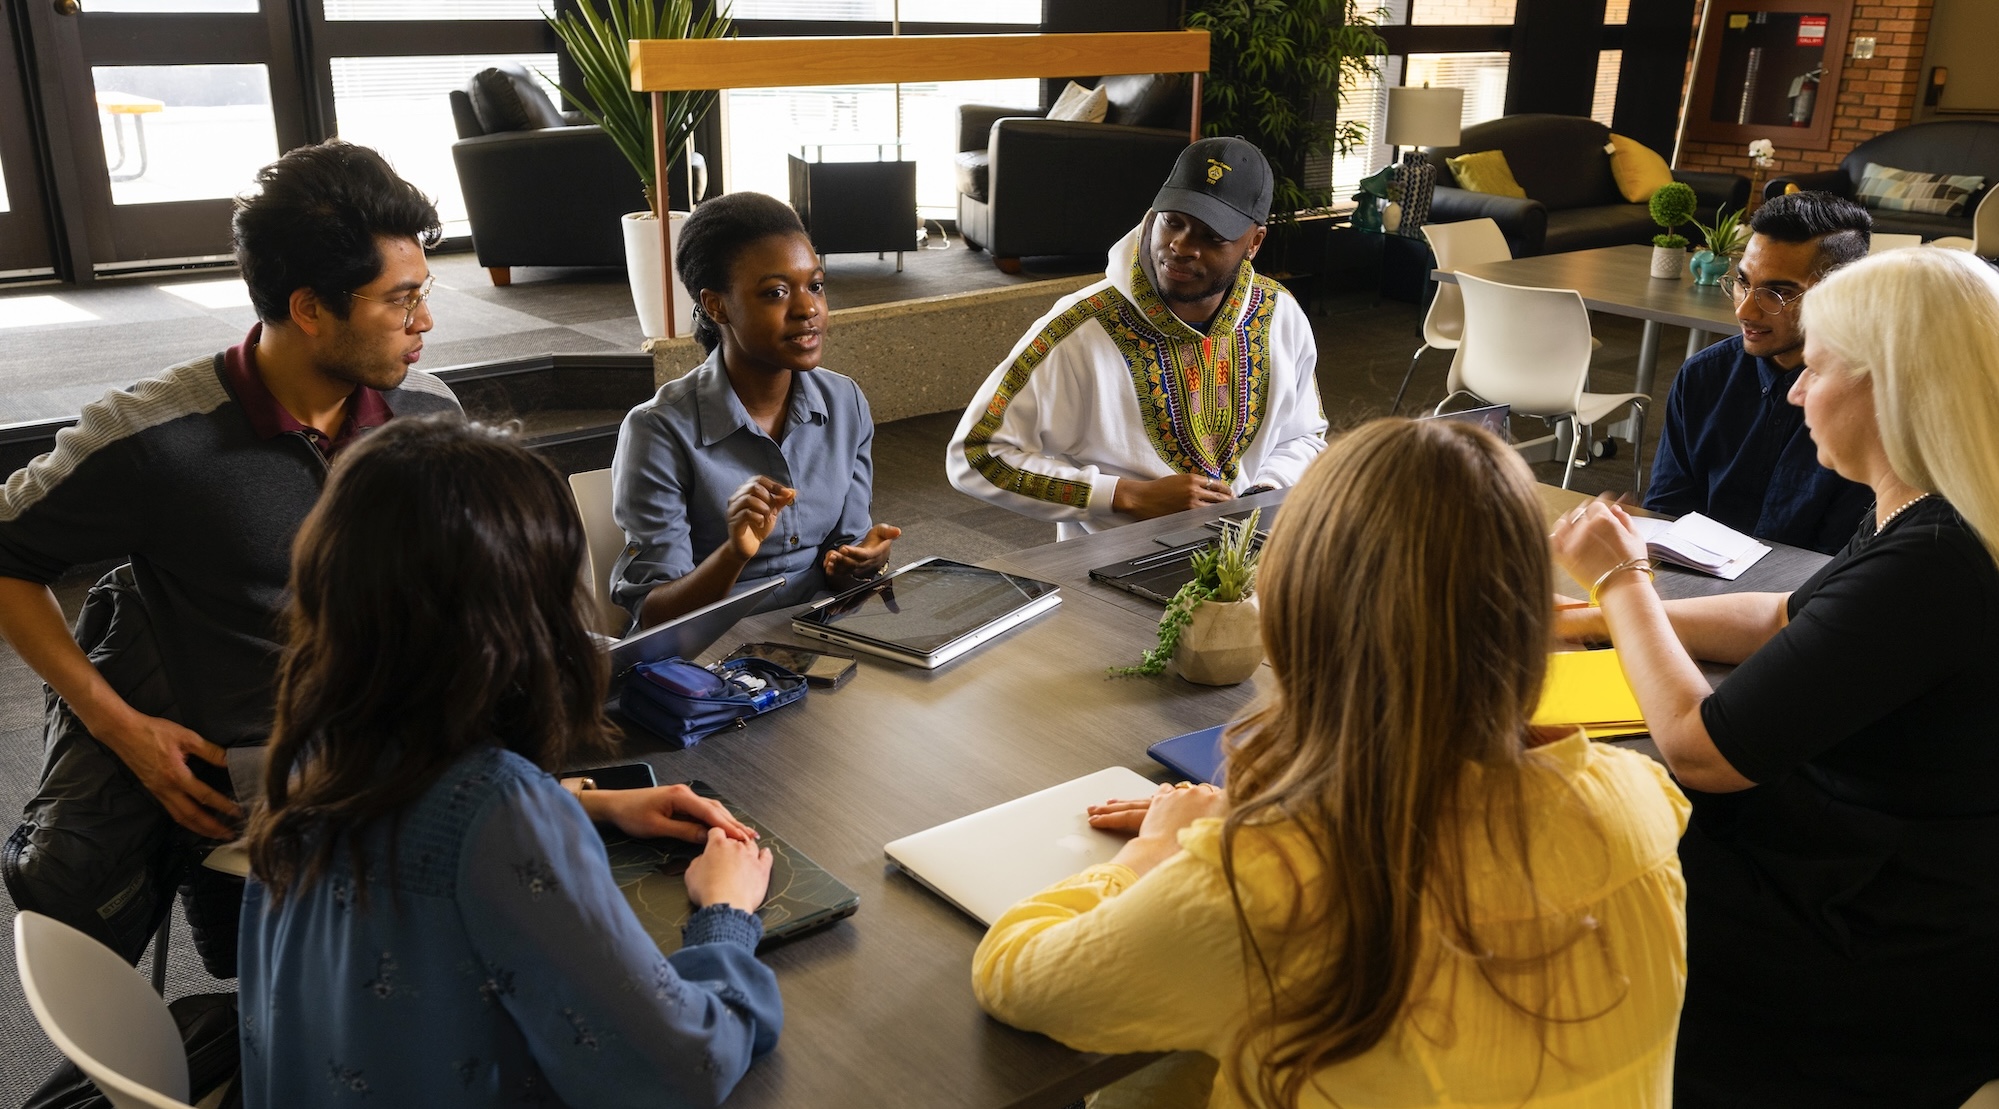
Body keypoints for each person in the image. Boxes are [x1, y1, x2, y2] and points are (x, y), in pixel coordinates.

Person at [973, 418, 1691, 1108]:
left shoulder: (1266, 878)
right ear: (1532, 613)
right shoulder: (1637, 794)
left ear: (1296, 610)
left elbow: (1018, 978)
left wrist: (1156, 851)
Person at [1550, 247, 1999, 1107]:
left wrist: (1621, 581)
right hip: (1886, 856)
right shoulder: (1938, 512)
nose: (1793, 392)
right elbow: (1781, 616)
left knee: (1599, 841)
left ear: (1890, 386)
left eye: (1816, 369)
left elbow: (1702, 749)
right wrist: (1582, 619)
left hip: (1881, 928)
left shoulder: (1935, 563)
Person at [0, 140, 460, 969]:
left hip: (413, 747)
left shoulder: (427, 411)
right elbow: (5, 554)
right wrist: (123, 730)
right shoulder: (156, 440)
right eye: (400, 300)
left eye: (424, 291)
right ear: (310, 307)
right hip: (270, 791)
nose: (425, 321)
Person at [239, 416, 781, 1108]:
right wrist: (728, 914)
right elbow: (679, 1067)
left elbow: (412, 815)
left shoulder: (314, 748)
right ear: (520, 618)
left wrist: (583, 802)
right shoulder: (498, 809)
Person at [945, 136, 1327, 540]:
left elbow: (1303, 434)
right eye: (1173, 221)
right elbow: (976, 454)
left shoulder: (1279, 314)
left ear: (1254, 242)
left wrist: (1262, 495)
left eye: (1211, 236)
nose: (1181, 246)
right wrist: (1126, 495)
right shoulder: (1079, 330)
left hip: (1245, 558)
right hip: (1108, 574)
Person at [612, 192, 898, 629]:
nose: (808, 309)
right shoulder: (658, 430)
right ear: (716, 305)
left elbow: (846, 553)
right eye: (776, 292)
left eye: (815, 286)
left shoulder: (846, 403)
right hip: (711, 653)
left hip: (823, 630)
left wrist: (858, 563)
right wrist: (735, 553)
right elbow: (654, 614)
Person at [1644, 191, 1874, 554]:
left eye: (1777, 292)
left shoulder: (1871, 400)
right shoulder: (1703, 377)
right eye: (1743, 283)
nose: (1745, 311)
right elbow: (1666, 511)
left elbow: (1844, 559)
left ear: (1840, 294)